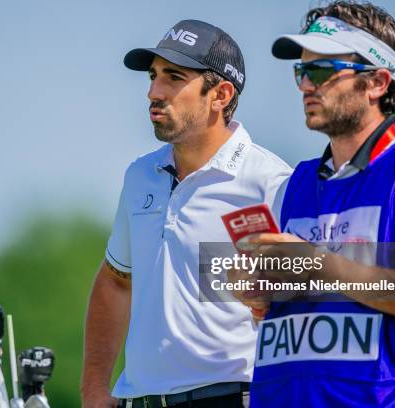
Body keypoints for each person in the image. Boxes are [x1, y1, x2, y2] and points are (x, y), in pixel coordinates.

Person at [240, 2, 395, 407]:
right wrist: (253, 291)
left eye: (320, 71)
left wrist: (320, 264)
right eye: (301, 71)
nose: (305, 85)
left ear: (377, 82)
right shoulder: (291, 184)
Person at [80, 19, 291, 408]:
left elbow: (307, 295)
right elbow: (115, 282)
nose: (153, 92)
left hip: (232, 396)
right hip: (137, 399)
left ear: (221, 94)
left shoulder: (272, 182)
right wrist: (93, 389)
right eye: (153, 76)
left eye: (173, 78)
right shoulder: (140, 175)